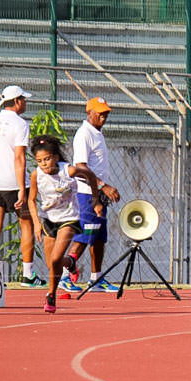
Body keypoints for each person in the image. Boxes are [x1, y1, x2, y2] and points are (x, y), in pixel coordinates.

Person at [27, 135, 102, 313]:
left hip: (69, 218)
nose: (44, 164)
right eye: (39, 161)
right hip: (48, 219)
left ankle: (51, 295)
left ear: (55, 157)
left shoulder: (68, 171)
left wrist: (95, 200)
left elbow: (90, 176)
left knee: (54, 259)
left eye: (47, 159)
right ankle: (70, 262)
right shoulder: (36, 174)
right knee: (52, 264)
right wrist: (37, 223)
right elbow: (31, 200)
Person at [0, 85, 39, 285]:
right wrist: (22, 188)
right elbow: (19, 157)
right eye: (24, 99)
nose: (26, 103)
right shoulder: (20, 124)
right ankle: (28, 275)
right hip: (13, 182)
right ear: (17, 101)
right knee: (26, 224)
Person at [60, 96, 122, 293]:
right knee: (85, 233)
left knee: (98, 237)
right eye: (100, 113)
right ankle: (63, 276)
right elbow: (80, 166)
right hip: (87, 194)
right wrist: (103, 186)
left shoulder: (97, 133)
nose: (103, 117)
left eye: (106, 113)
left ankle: (96, 278)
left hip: (98, 195)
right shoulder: (84, 134)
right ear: (89, 113)